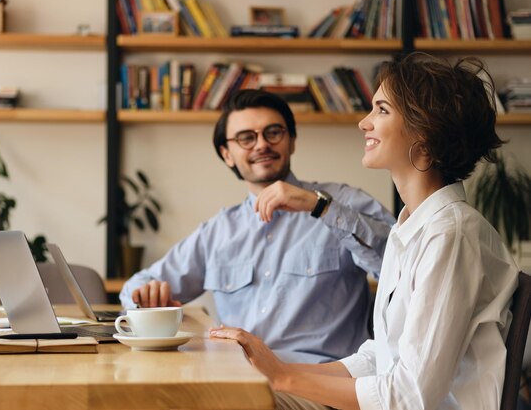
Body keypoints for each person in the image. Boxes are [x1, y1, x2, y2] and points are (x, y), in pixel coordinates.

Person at [210, 53, 520, 410]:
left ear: (425, 131)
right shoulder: (411, 226)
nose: (363, 123)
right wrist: (273, 369)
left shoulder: (451, 234)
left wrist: (283, 378)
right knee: (224, 394)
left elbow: (409, 396)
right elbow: (380, 355)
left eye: (381, 110)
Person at [119, 89, 395, 364]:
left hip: (320, 381)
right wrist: (146, 298)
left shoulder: (343, 203)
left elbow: (404, 266)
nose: (262, 145)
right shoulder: (219, 231)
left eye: (273, 132)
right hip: (239, 378)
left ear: (292, 141)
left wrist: (319, 207)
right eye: (246, 138)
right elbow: (136, 286)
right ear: (227, 154)